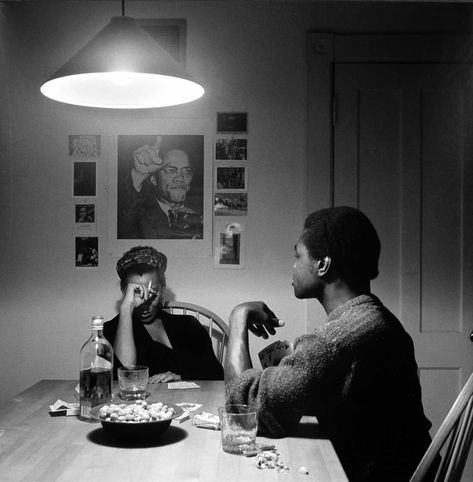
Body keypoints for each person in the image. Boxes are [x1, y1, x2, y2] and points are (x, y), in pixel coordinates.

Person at [224, 206, 433, 482]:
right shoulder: (379, 320)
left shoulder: (336, 341)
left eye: (298, 255)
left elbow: (246, 409)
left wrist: (239, 315)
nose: (294, 265)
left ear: (322, 264)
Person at [104, 246, 223, 382]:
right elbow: (125, 379)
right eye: (137, 293)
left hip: (193, 401)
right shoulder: (109, 331)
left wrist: (182, 379)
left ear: (163, 287)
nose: (144, 303)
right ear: (123, 289)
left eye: (153, 294)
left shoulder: (189, 325)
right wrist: (126, 307)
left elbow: (217, 377)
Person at [117, 137, 203, 239]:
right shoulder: (138, 216)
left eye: (187, 171)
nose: (180, 178)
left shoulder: (202, 213)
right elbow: (122, 220)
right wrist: (138, 175)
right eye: (171, 170)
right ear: (154, 179)